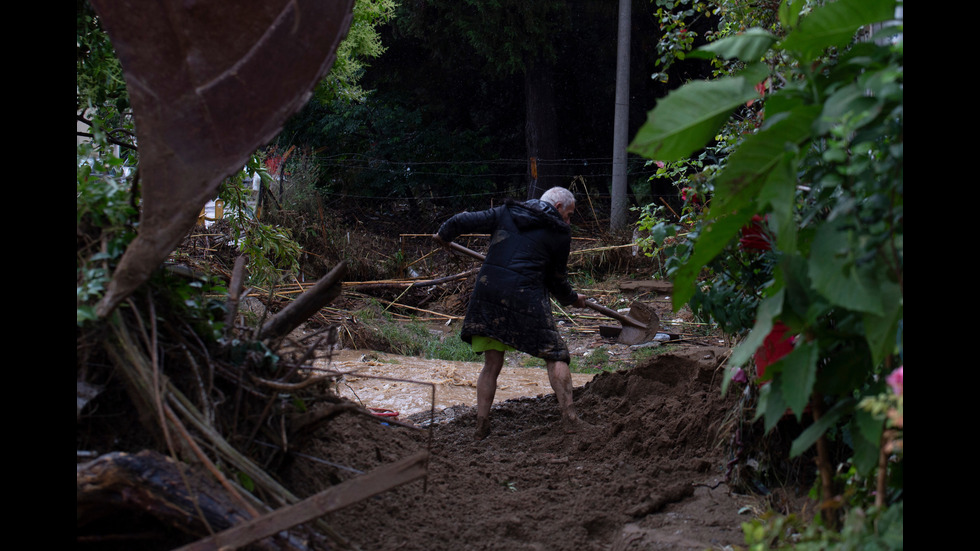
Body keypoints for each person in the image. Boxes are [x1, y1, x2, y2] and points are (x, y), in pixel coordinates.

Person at [433, 187, 589, 439]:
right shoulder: (560, 232)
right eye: (569, 214)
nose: (569, 221)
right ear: (558, 207)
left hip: (489, 293)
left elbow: (461, 220)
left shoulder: (507, 212)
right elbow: (556, 280)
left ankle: (481, 425)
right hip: (527, 297)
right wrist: (572, 299)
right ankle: (570, 418)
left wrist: (444, 234)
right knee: (556, 354)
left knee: (492, 363)